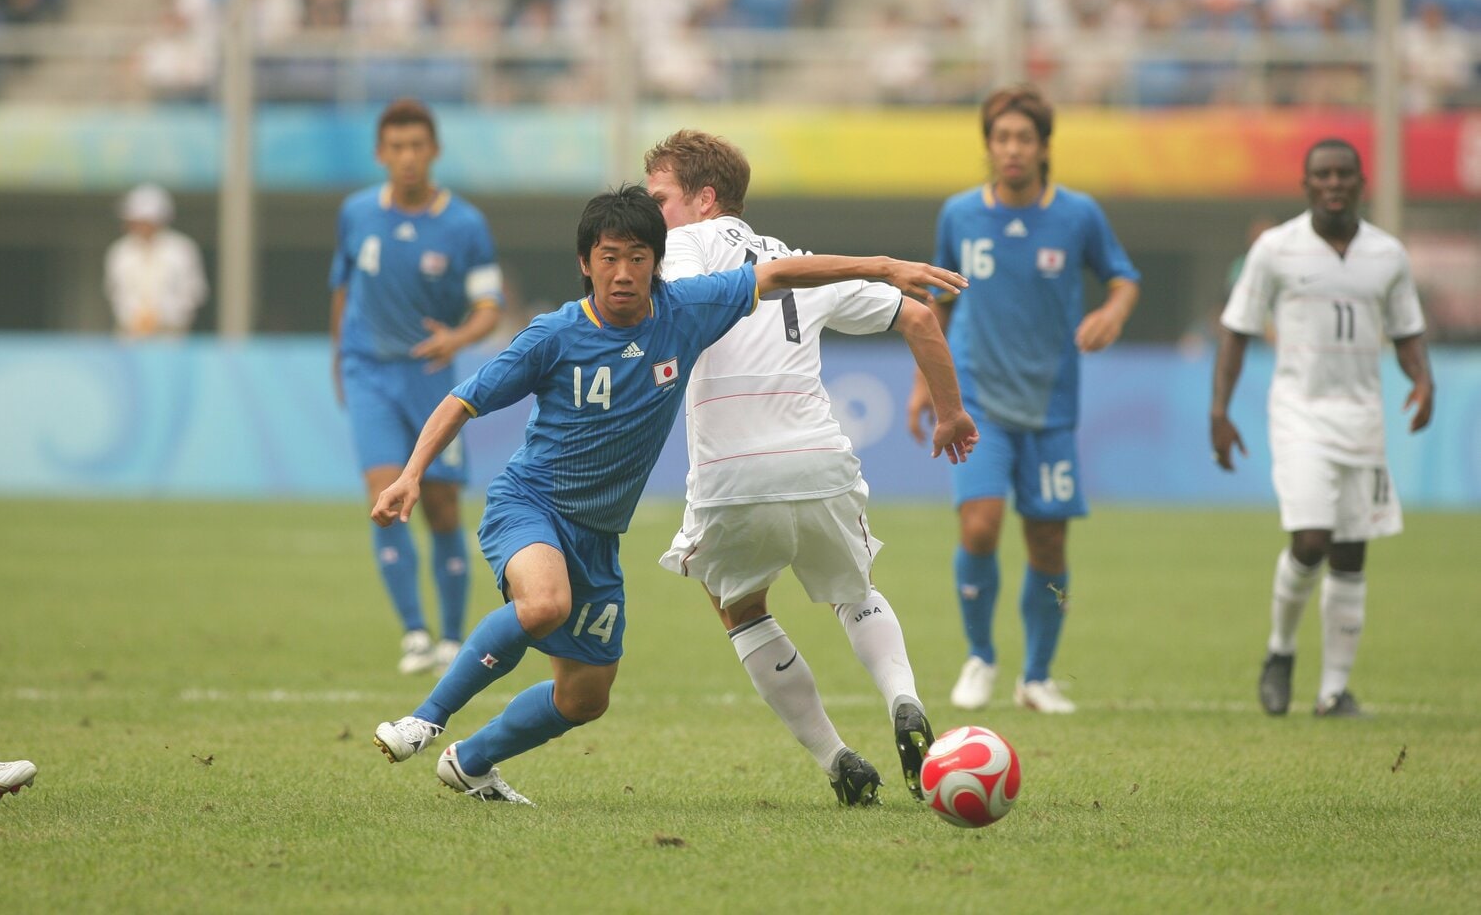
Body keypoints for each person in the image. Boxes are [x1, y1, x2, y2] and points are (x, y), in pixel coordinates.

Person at [371, 185, 966, 806]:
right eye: (608, 258)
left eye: (636, 258)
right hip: (531, 504)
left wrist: (885, 267)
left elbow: (784, 271)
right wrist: (411, 473)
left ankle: (470, 763)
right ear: (584, 263)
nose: (622, 273)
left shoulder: (686, 309)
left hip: (600, 536)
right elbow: (463, 399)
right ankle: (426, 718)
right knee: (545, 604)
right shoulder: (554, 335)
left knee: (584, 698)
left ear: (659, 262)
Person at [644, 129, 978, 806]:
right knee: (856, 592)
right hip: (822, 461)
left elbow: (646, 306)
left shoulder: (679, 247)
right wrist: (950, 413)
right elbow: (919, 318)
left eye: (660, 199)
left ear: (705, 199)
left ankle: (837, 759)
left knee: (737, 606)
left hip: (733, 473)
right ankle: (904, 699)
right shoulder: (800, 261)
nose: (651, 217)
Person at [909, 84, 1141, 715]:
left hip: (1051, 409)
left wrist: (1113, 312)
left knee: (1049, 546)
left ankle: (1037, 675)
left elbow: (1123, 276)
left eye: (1025, 138)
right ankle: (980, 656)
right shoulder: (960, 215)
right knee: (980, 526)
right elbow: (937, 303)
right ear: (989, 145)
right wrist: (922, 388)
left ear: (1043, 148)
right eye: (1002, 137)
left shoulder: (1077, 215)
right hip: (979, 400)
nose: (1012, 149)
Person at [1212, 138, 1434, 719]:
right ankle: (1280, 651)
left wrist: (1422, 378)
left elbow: (1407, 330)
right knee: (1311, 539)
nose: (1333, 183)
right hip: (1299, 413)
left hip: (1363, 417)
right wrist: (1220, 411)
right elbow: (1237, 329)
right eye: (1322, 175)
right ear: (1306, 185)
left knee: (1351, 553)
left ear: (1361, 182)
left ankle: (1334, 691)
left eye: (1344, 174)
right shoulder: (1275, 250)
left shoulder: (1388, 255)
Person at [329, 98, 504, 675]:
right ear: (382, 154)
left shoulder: (464, 224)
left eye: (417, 146)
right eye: (396, 147)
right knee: (383, 497)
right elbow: (342, 289)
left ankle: (452, 636)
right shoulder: (356, 214)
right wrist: (339, 360)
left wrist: (457, 338)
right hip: (368, 372)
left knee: (442, 506)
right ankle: (414, 633)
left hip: (432, 380)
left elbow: (489, 307)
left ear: (434, 151)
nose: (407, 157)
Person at [103, 184, 209, 337]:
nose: (137, 225)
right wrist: (135, 317)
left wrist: (164, 316)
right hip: (130, 334)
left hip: (171, 335)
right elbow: (115, 292)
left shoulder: (182, 249)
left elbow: (194, 292)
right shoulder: (120, 251)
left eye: (143, 220)